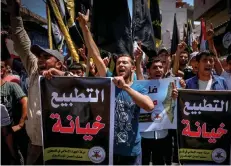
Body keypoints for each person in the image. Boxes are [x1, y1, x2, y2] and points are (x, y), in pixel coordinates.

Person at [77, 10, 154, 165]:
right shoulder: (109, 80)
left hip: (131, 151)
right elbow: (95, 54)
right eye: (119, 63)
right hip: (109, 149)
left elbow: (149, 106)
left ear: (132, 68)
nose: (121, 65)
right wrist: (84, 27)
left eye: (125, 62)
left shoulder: (139, 86)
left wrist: (126, 88)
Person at [8, 0, 69, 164]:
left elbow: (83, 87)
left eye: (46, 57)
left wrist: (63, 76)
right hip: (34, 144)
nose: (40, 60)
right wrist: (15, 15)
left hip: (59, 145)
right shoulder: (35, 71)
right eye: (39, 57)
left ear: (58, 63)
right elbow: (22, 42)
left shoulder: (67, 79)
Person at [139, 57, 178, 165]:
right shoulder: (142, 87)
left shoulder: (171, 86)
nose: (158, 70)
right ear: (149, 71)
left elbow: (173, 108)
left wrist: (175, 98)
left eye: (161, 67)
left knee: (160, 162)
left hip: (163, 135)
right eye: (154, 68)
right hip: (144, 135)